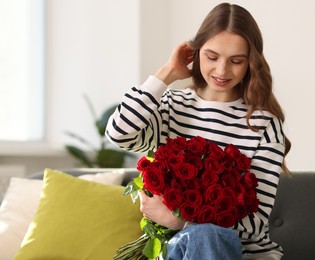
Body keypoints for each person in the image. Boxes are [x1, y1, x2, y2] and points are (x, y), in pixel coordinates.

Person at [106, 2, 291, 260]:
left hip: (243, 255)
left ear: (251, 62)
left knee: (205, 236)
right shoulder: (172, 106)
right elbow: (118, 133)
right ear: (196, 52)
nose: (222, 71)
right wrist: (167, 73)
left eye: (236, 61)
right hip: (175, 252)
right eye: (212, 57)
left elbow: (255, 224)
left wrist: (182, 222)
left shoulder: (263, 123)